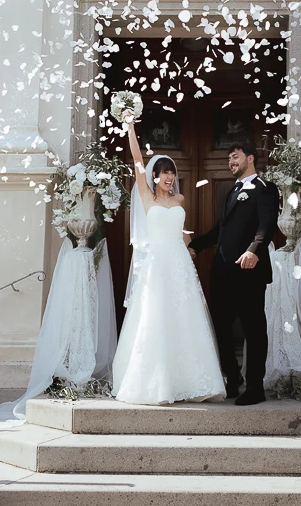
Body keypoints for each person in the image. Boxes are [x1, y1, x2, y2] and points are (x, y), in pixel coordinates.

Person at [111, 119, 226, 406]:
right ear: (155, 176)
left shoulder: (180, 200)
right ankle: (157, 385)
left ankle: (193, 382)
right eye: (164, 173)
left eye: (172, 174)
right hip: (157, 266)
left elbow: (182, 233)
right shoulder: (147, 198)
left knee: (186, 320)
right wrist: (130, 127)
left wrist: (190, 249)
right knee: (156, 318)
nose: (169, 178)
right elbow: (137, 160)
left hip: (180, 266)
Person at [189, 139, 280, 406]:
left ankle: (255, 387)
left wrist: (254, 250)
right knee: (221, 328)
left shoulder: (265, 189)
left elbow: (267, 225)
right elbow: (221, 231)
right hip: (222, 273)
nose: (231, 162)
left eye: (235, 156)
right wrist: (194, 246)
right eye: (229, 158)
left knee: (254, 329)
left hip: (250, 272)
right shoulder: (232, 192)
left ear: (250, 158)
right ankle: (232, 378)